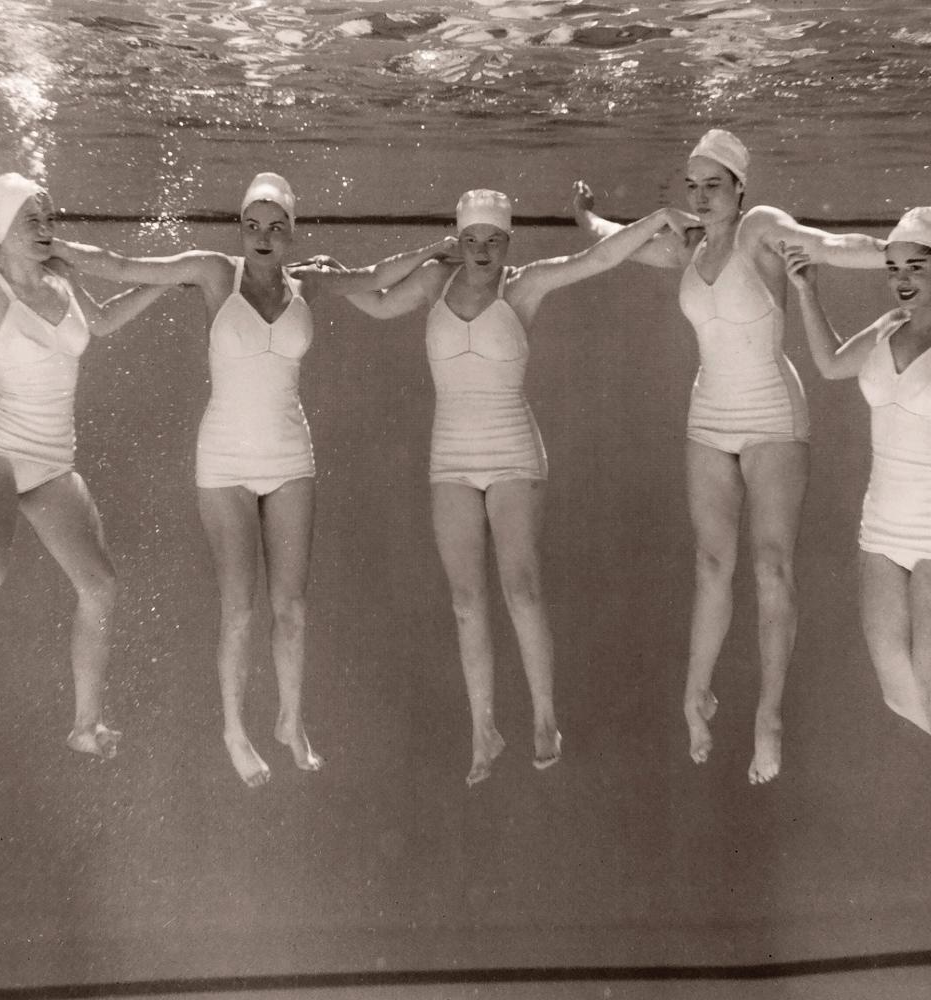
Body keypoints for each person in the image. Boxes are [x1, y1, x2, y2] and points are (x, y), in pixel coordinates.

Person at [49, 173, 458, 788]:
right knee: (239, 607)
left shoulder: (308, 285)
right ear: (239, 229)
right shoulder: (216, 274)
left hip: (291, 456)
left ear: (291, 232)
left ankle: (291, 721)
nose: (264, 238)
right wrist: (57, 247)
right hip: (224, 463)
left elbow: (375, 277)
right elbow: (124, 264)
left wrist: (430, 252)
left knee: (291, 606)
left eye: (276, 226)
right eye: (252, 225)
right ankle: (234, 729)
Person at [345, 188, 692, 786]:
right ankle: (484, 729)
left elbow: (599, 260)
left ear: (510, 243)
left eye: (494, 240)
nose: (482, 252)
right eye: (472, 240)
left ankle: (544, 716)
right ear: (460, 240)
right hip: (450, 456)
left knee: (522, 590)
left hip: (512, 452)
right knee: (465, 602)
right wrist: (335, 271)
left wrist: (658, 215)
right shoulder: (434, 281)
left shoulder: (524, 286)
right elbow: (372, 301)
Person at [574, 129, 886, 784]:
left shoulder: (761, 231)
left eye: (713, 185)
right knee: (711, 564)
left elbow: (836, 248)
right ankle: (696, 694)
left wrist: (905, 252)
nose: (700, 196)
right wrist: (586, 214)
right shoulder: (687, 245)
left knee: (771, 567)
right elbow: (614, 245)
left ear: (741, 188)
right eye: (692, 186)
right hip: (709, 418)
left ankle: (769, 716)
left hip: (773, 415)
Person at [0, 172, 173, 759]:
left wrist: (171, 279)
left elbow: (107, 320)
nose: (45, 229)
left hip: (52, 460)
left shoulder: (61, 278)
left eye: (49, 218)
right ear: (0, 229)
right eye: (31, 219)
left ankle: (85, 725)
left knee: (101, 586)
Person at [784, 207, 931, 735]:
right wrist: (806, 291)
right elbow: (829, 364)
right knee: (898, 695)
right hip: (881, 530)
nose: (902, 280)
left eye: (915, 265)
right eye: (892, 268)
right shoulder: (889, 326)